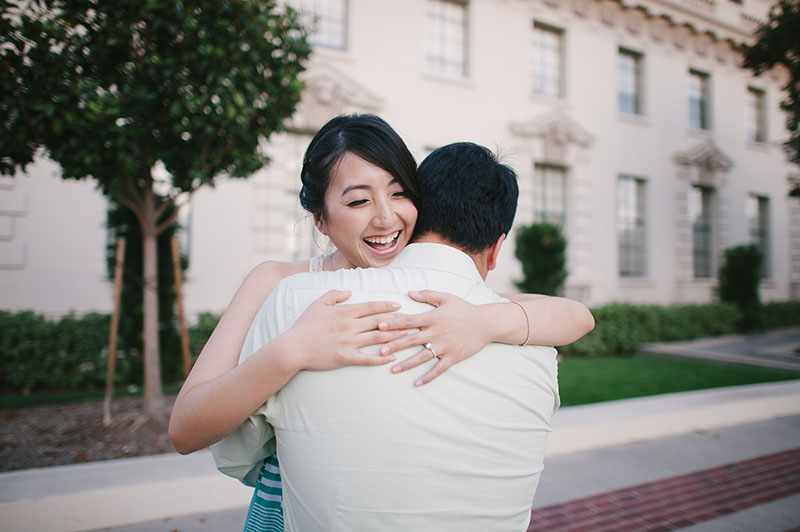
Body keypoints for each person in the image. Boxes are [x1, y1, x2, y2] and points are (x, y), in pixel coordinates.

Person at [169, 114, 594, 530]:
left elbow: (575, 316)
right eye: (358, 201)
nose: (386, 218)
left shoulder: (444, 299)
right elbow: (186, 429)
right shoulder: (281, 284)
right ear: (320, 218)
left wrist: (487, 322)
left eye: (399, 193)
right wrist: (292, 351)